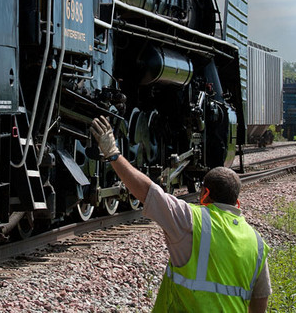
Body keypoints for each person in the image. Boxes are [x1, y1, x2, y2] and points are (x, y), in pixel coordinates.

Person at [90, 116, 271, 313]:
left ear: (205, 194)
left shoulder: (191, 219)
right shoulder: (257, 244)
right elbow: (260, 300)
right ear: (237, 202)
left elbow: (148, 192)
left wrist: (113, 153)